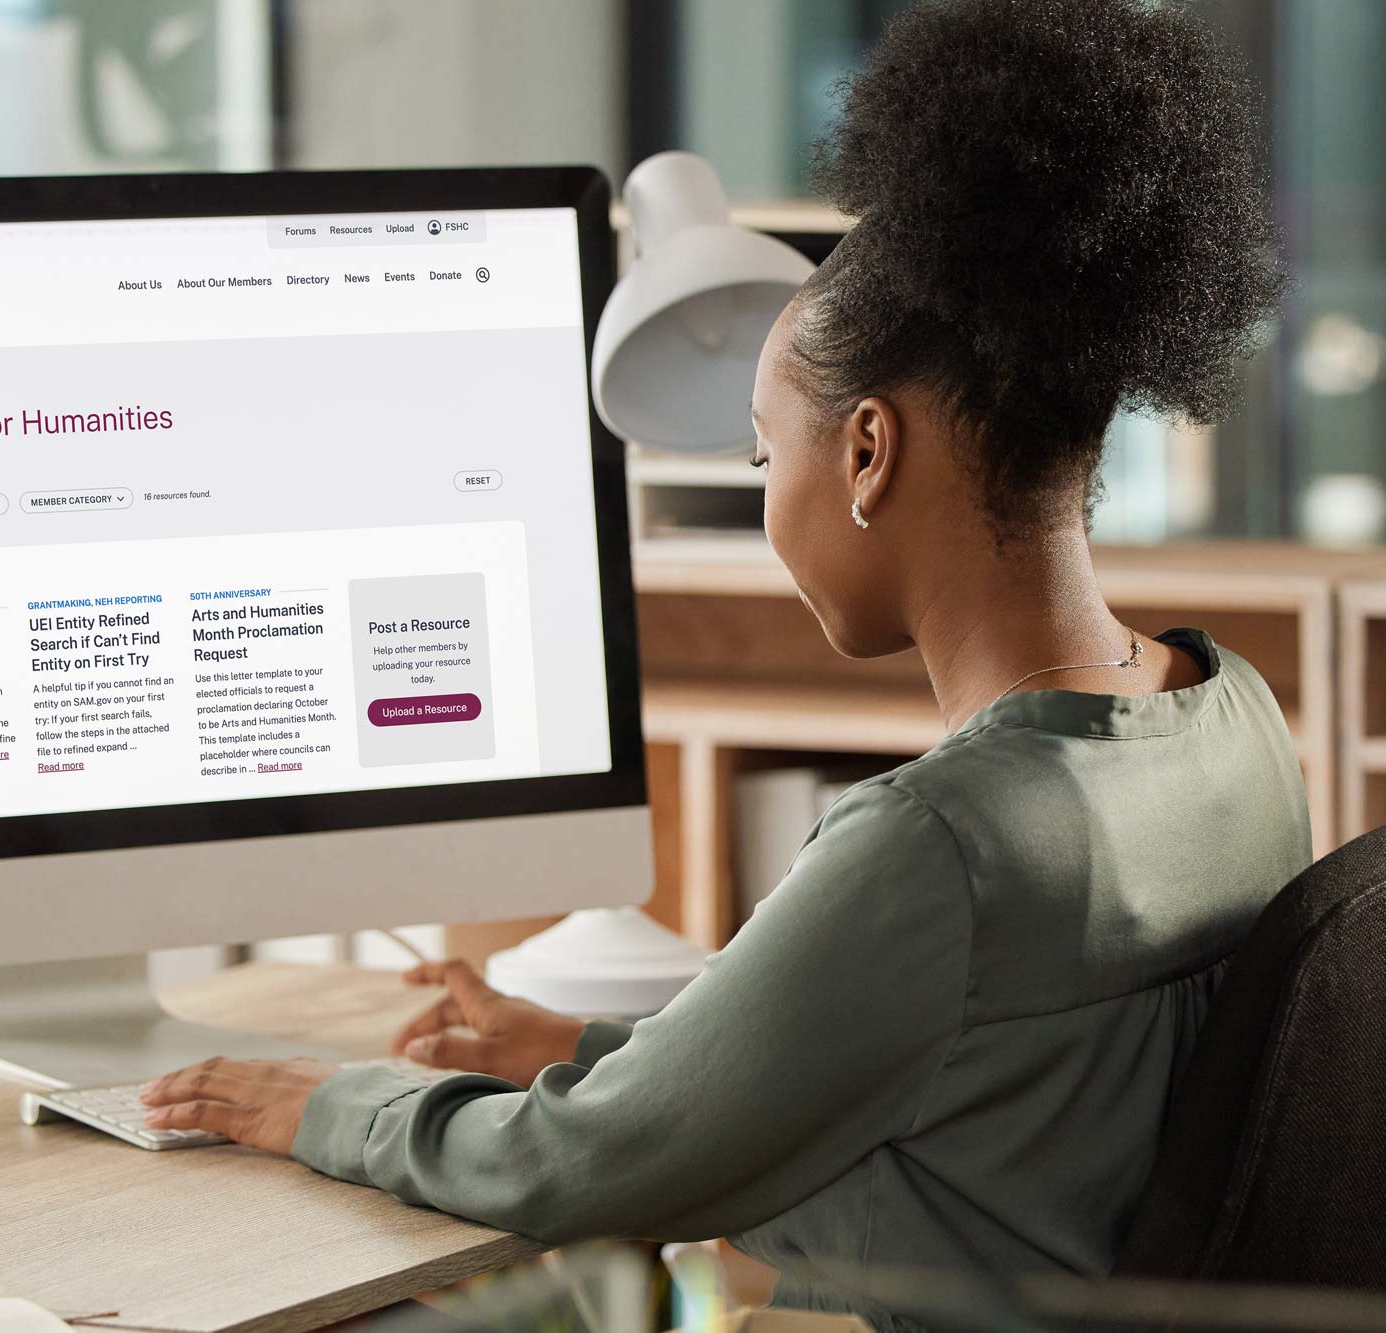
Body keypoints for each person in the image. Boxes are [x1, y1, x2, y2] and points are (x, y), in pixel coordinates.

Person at [141, 0, 1305, 1325]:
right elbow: (975, 1107)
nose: (766, 502)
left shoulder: (940, 847)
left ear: (867, 453)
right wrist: (593, 1052)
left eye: (767, 455)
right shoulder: (1235, 716)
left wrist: (319, 1101)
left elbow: (566, 1168)